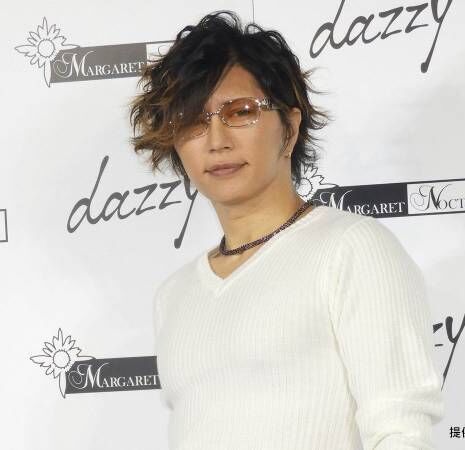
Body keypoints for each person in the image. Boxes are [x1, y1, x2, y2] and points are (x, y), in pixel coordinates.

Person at [129, 10, 444, 450]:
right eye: (193, 120)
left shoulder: (351, 249)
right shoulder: (174, 296)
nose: (217, 140)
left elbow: (401, 432)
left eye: (240, 112)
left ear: (290, 129)